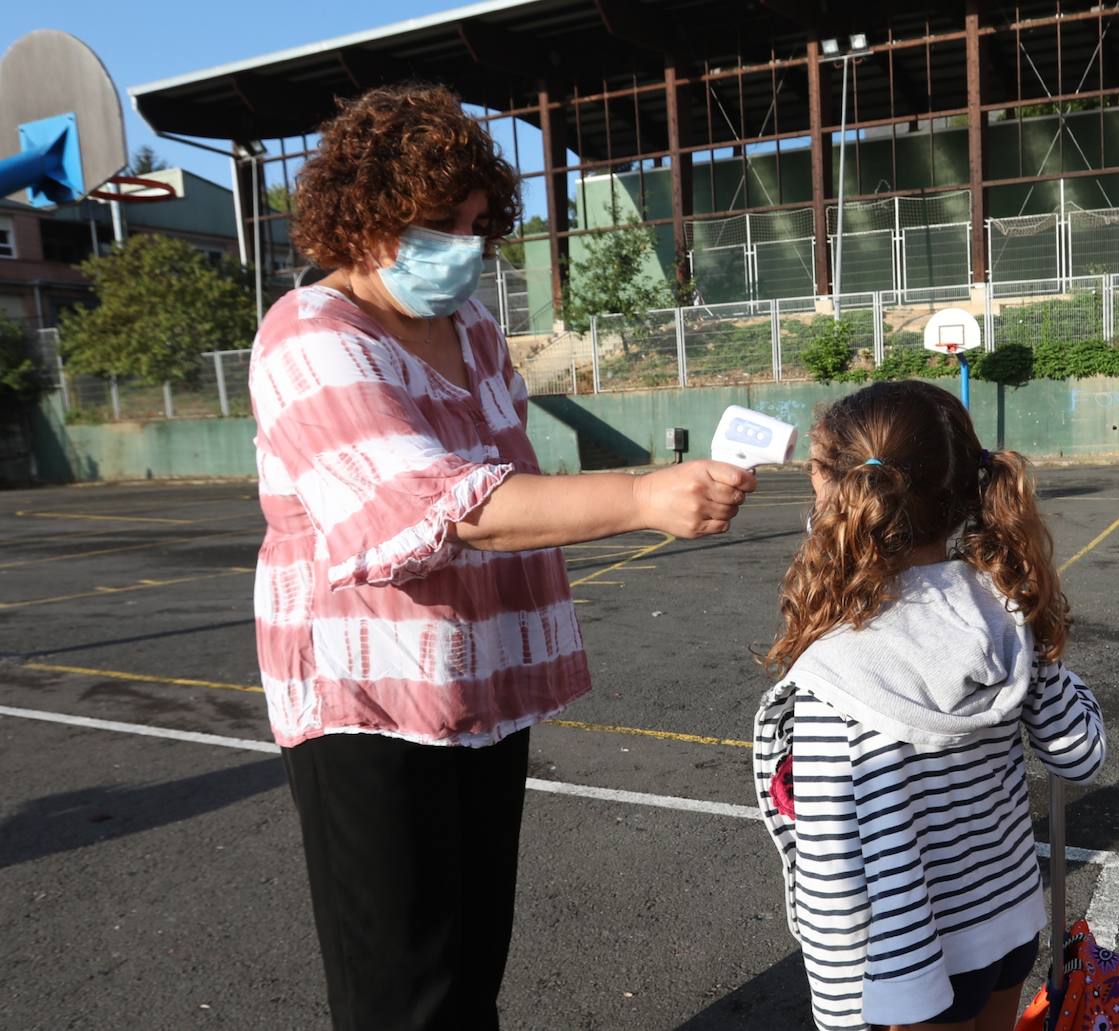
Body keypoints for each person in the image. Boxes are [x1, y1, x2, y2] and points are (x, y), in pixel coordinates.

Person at [248, 84, 755, 1031]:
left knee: (474, 957)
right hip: (371, 691)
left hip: (480, 679)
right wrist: (644, 496)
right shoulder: (309, 334)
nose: (464, 247)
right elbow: (436, 504)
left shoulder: (473, 329)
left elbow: (502, 469)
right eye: (438, 222)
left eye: (478, 223)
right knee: (401, 989)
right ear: (360, 214)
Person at [753, 381, 1106, 1031]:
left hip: (914, 964)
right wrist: (1046, 651)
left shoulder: (834, 673)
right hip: (1008, 922)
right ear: (966, 491)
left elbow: (834, 882)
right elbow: (1078, 752)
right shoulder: (1005, 607)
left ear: (830, 490)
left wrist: (839, 1016)